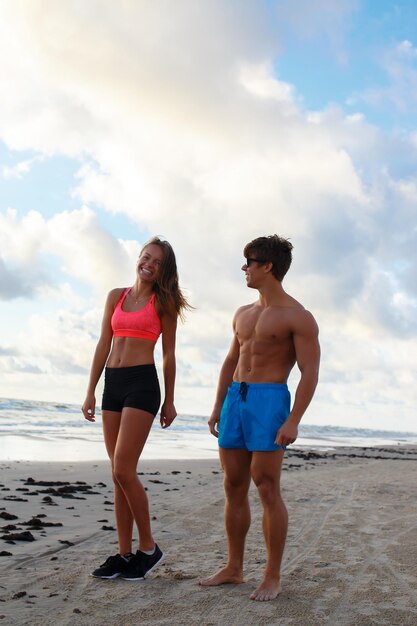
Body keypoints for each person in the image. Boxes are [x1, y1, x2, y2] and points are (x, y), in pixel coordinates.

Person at [199, 234, 320, 601]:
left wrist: (294, 419)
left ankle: (271, 575)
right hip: (237, 398)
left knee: (266, 486)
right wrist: (219, 404)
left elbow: (309, 372)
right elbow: (230, 361)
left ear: (267, 266)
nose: (244, 268)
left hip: (269, 400)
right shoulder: (243, 313)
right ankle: (234, 568)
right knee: (233, 485)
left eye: (248, 261)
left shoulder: (298, 316)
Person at [81, 236, 191, 581]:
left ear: (163, 269)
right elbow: (103, 343)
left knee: (125, 469)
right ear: (138, 258)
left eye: (156, 262)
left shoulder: (165, 302)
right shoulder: (116, 296)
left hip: (142, 385)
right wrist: (90, 391)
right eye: (146, 257)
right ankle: (124, 554)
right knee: (117, 474)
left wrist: (170, 399)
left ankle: (148, 547)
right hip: (112, 384)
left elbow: (169, 354)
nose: (148, 264)